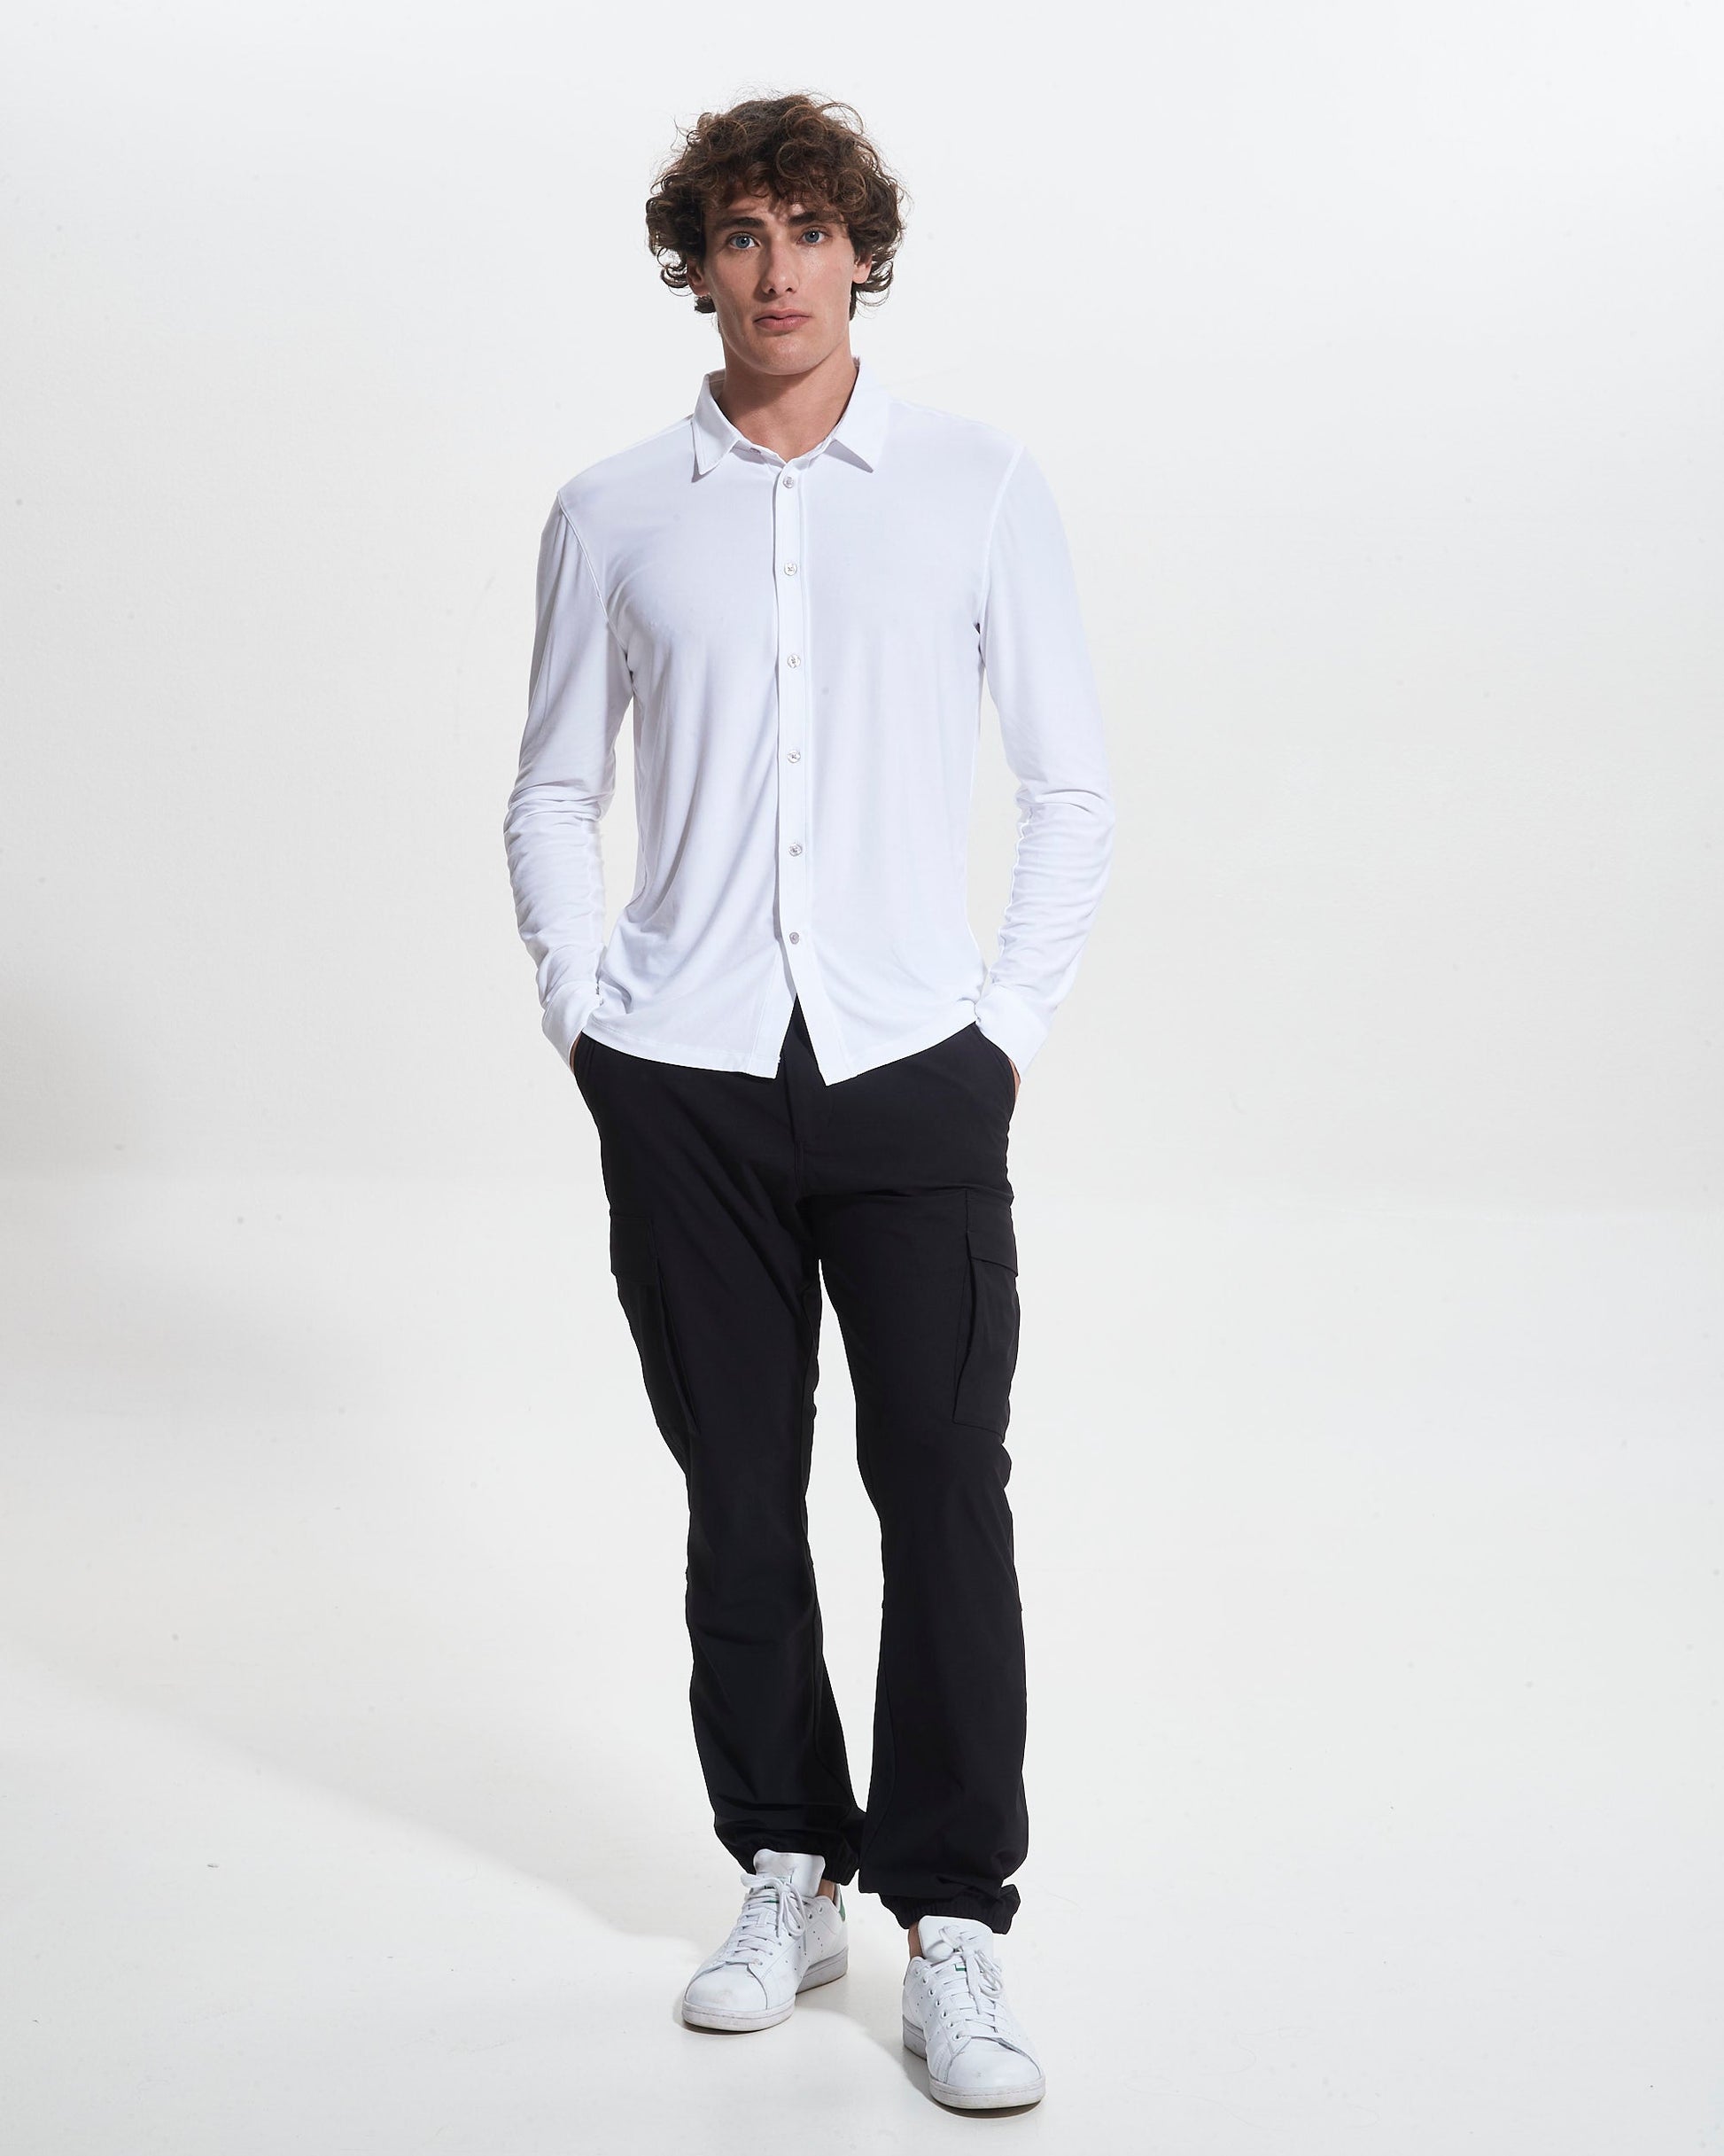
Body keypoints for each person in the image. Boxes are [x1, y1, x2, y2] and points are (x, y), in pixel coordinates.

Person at [502, 90, 1114, 2112]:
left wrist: (998, 1030)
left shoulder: (973, 484)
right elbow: (553, 786)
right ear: (695, 263)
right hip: (681, 1078)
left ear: (864, 254)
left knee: (939, 1477)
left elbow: (1070, 783)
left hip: (910, 1066)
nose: (778, 269)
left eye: (811, 230)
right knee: (738, 1487)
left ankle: (953, 1917)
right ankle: (788, 1861)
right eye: (741, 233)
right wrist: (587, 1016)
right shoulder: (612, 510)